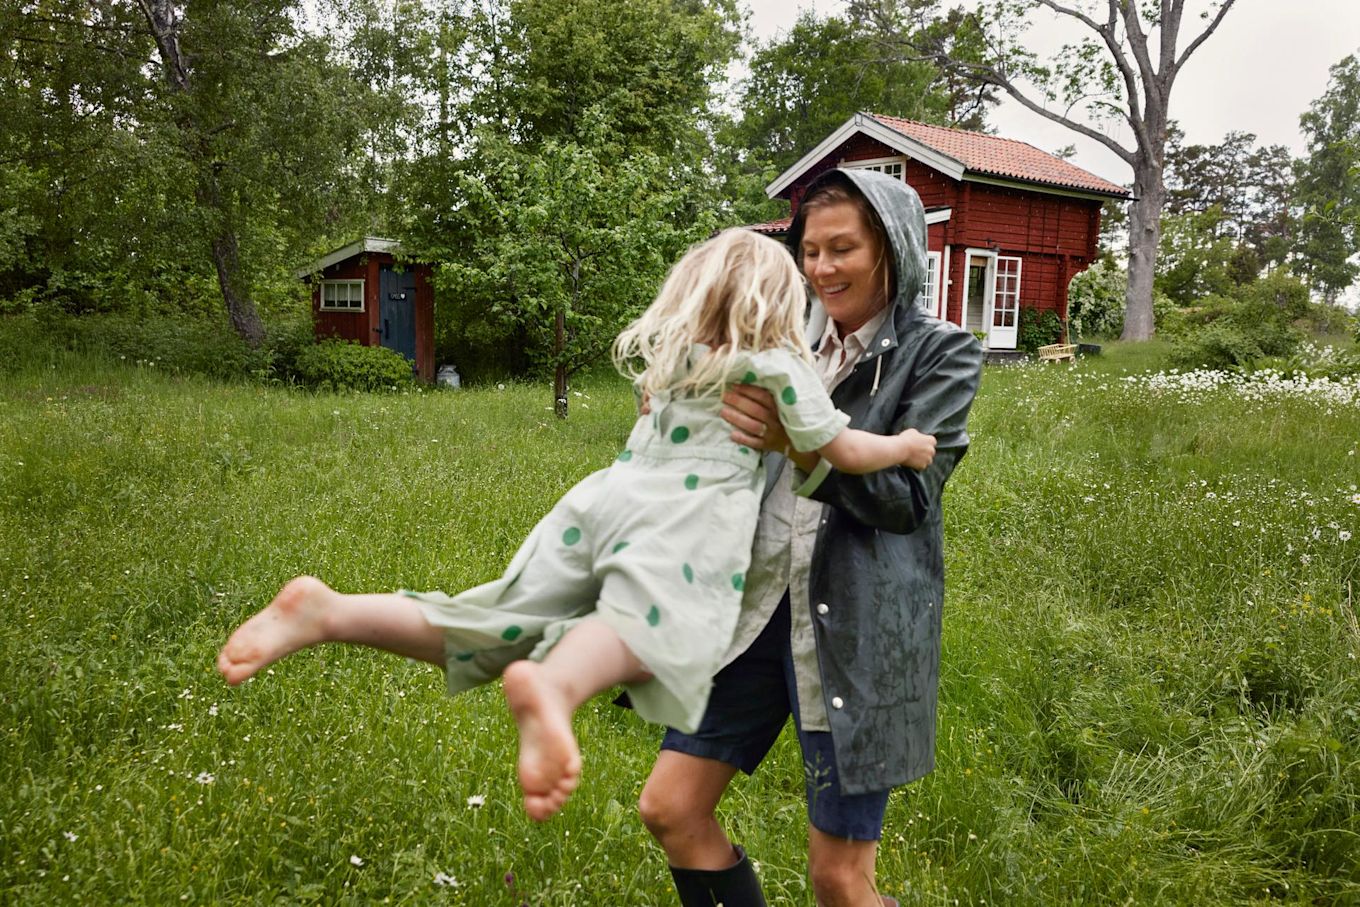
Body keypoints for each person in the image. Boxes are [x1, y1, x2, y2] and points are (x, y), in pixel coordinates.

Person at [217, 227, 939, 824]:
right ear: (779, 299)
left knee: (496, 619)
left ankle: (328, 611)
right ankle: (557, 687)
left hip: (599, 503)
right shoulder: (779, 361)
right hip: (683, 525)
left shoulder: (672, 359)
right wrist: (904, 446)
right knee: (654, 631)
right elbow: (844, 449)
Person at [637, 169, 984, 907]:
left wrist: (803, 451)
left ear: (891, 250)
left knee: (839, 880)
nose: (821, 268)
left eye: (842, 248)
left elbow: (908, 498)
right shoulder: (780, 331)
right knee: (671, 808)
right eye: (810, 249)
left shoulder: (941, 353)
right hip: (759, 612)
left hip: (855, 634)